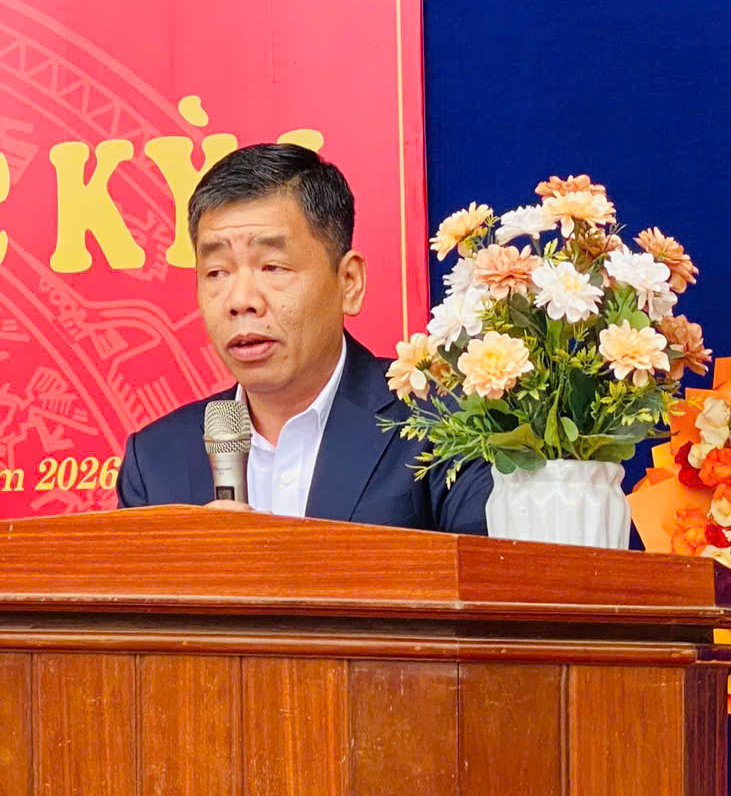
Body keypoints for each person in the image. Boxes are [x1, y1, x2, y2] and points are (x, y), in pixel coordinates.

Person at [117, 141, 490, 530]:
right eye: (217, 273)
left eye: (273, 267)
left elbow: (484, 567)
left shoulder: (445, 420)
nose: (240, 301)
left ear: (349, 282)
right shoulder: (155, 462)